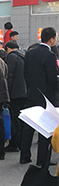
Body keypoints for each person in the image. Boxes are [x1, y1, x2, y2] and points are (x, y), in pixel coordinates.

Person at [21, 27, 59, 165]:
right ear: (51, 39)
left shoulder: (30, 53)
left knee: (28, 127)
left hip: (32, 93)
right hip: (46, 97)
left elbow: (25, 73)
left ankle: (24, 156)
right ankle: (42, 160)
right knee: (44, 128)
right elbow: (52, 79)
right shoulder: (50, 55)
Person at [4, 41, 26, 153]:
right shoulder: (24, 56)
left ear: (8, 48)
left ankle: (14, 143)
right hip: (24, 92)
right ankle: (22, 141)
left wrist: (6, 92)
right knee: (21, 119)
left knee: (14, 119)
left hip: (14, 93)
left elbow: (9, 76)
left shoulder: (12, 57)